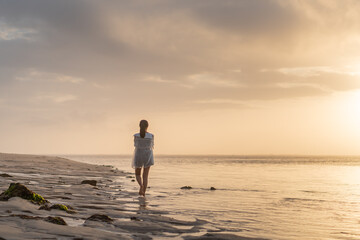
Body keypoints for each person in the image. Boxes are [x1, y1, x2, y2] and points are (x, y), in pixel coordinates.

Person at [132, 120, 154, 196]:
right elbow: (152, 146)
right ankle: (143, 193)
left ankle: (141, 185)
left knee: (137, 174)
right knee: (145, 175)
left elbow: (135, 145)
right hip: (148, 155)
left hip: (138, 154)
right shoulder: (151, 136)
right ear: (147, 126)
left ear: (139, 126)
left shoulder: (136, 135)